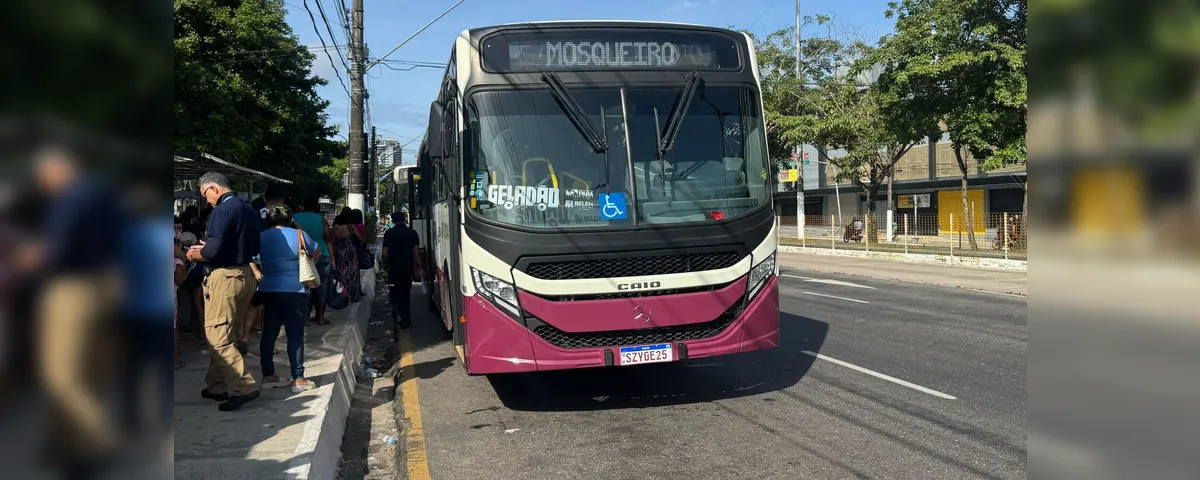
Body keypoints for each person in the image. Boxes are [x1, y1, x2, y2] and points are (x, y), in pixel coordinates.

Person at [186, 171, 261, 411]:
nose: (206, 200)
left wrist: (195, 253)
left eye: (205, 195)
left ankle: (243, 387)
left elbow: (211, 252)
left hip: (224, 278)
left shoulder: (220, 211)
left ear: (213, 189)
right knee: (228, 334)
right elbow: (254, 245)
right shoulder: (248, 209)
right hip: (245, 275)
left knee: (217, 337)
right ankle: (217, 385)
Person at [255, 205, 319, 393]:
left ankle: (268, 376)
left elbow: (252, 257)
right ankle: (298, 378)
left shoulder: (261, 236)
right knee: (295, 335)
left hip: (267, 288)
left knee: (268, 333)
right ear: (289, 218)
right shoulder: (298, 234)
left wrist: (259, 272)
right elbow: (316, 253)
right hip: (295, 289)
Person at [293, 196, 335, 325]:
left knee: (306, 286)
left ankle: (305, 318)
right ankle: (320, 317)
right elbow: (328, 240)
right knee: (322, 286)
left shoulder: (294, 218)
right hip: (322, 255)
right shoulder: (321, 220)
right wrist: (333, 259)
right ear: (316, 206)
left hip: (302, 256)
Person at [382, 211, 421, 331]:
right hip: (407, 268)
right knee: (405, 292)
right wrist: (419, 267)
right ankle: (406, 316)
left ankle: (401, 315)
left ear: (393, 220)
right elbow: (416, 253)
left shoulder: (389, 233)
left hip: (393, 269)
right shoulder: (412, 232)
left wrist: (384, 265)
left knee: (395, 292)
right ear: (404, 219)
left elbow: (385, 253)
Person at [332, 209, 363, 302]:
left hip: (339, 252)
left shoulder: (335, 228)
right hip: (350, 252)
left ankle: (343, 295)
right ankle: (353, 295)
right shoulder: (351, 226)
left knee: (341, 273)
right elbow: (360, 239)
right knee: (352, 273)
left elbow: (331, 241)